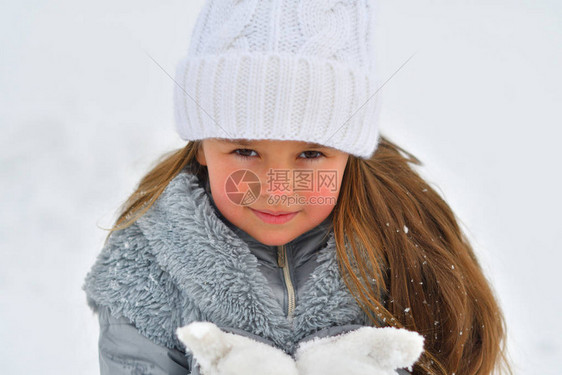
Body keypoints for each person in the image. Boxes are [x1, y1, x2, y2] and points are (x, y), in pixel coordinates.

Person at [82, 0, 511, 374]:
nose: (277, 189)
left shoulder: (401, 239)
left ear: (347, 154)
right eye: (245, 151)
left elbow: (457, 358)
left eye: (311, 154)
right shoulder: (146, 266)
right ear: (201, 147)